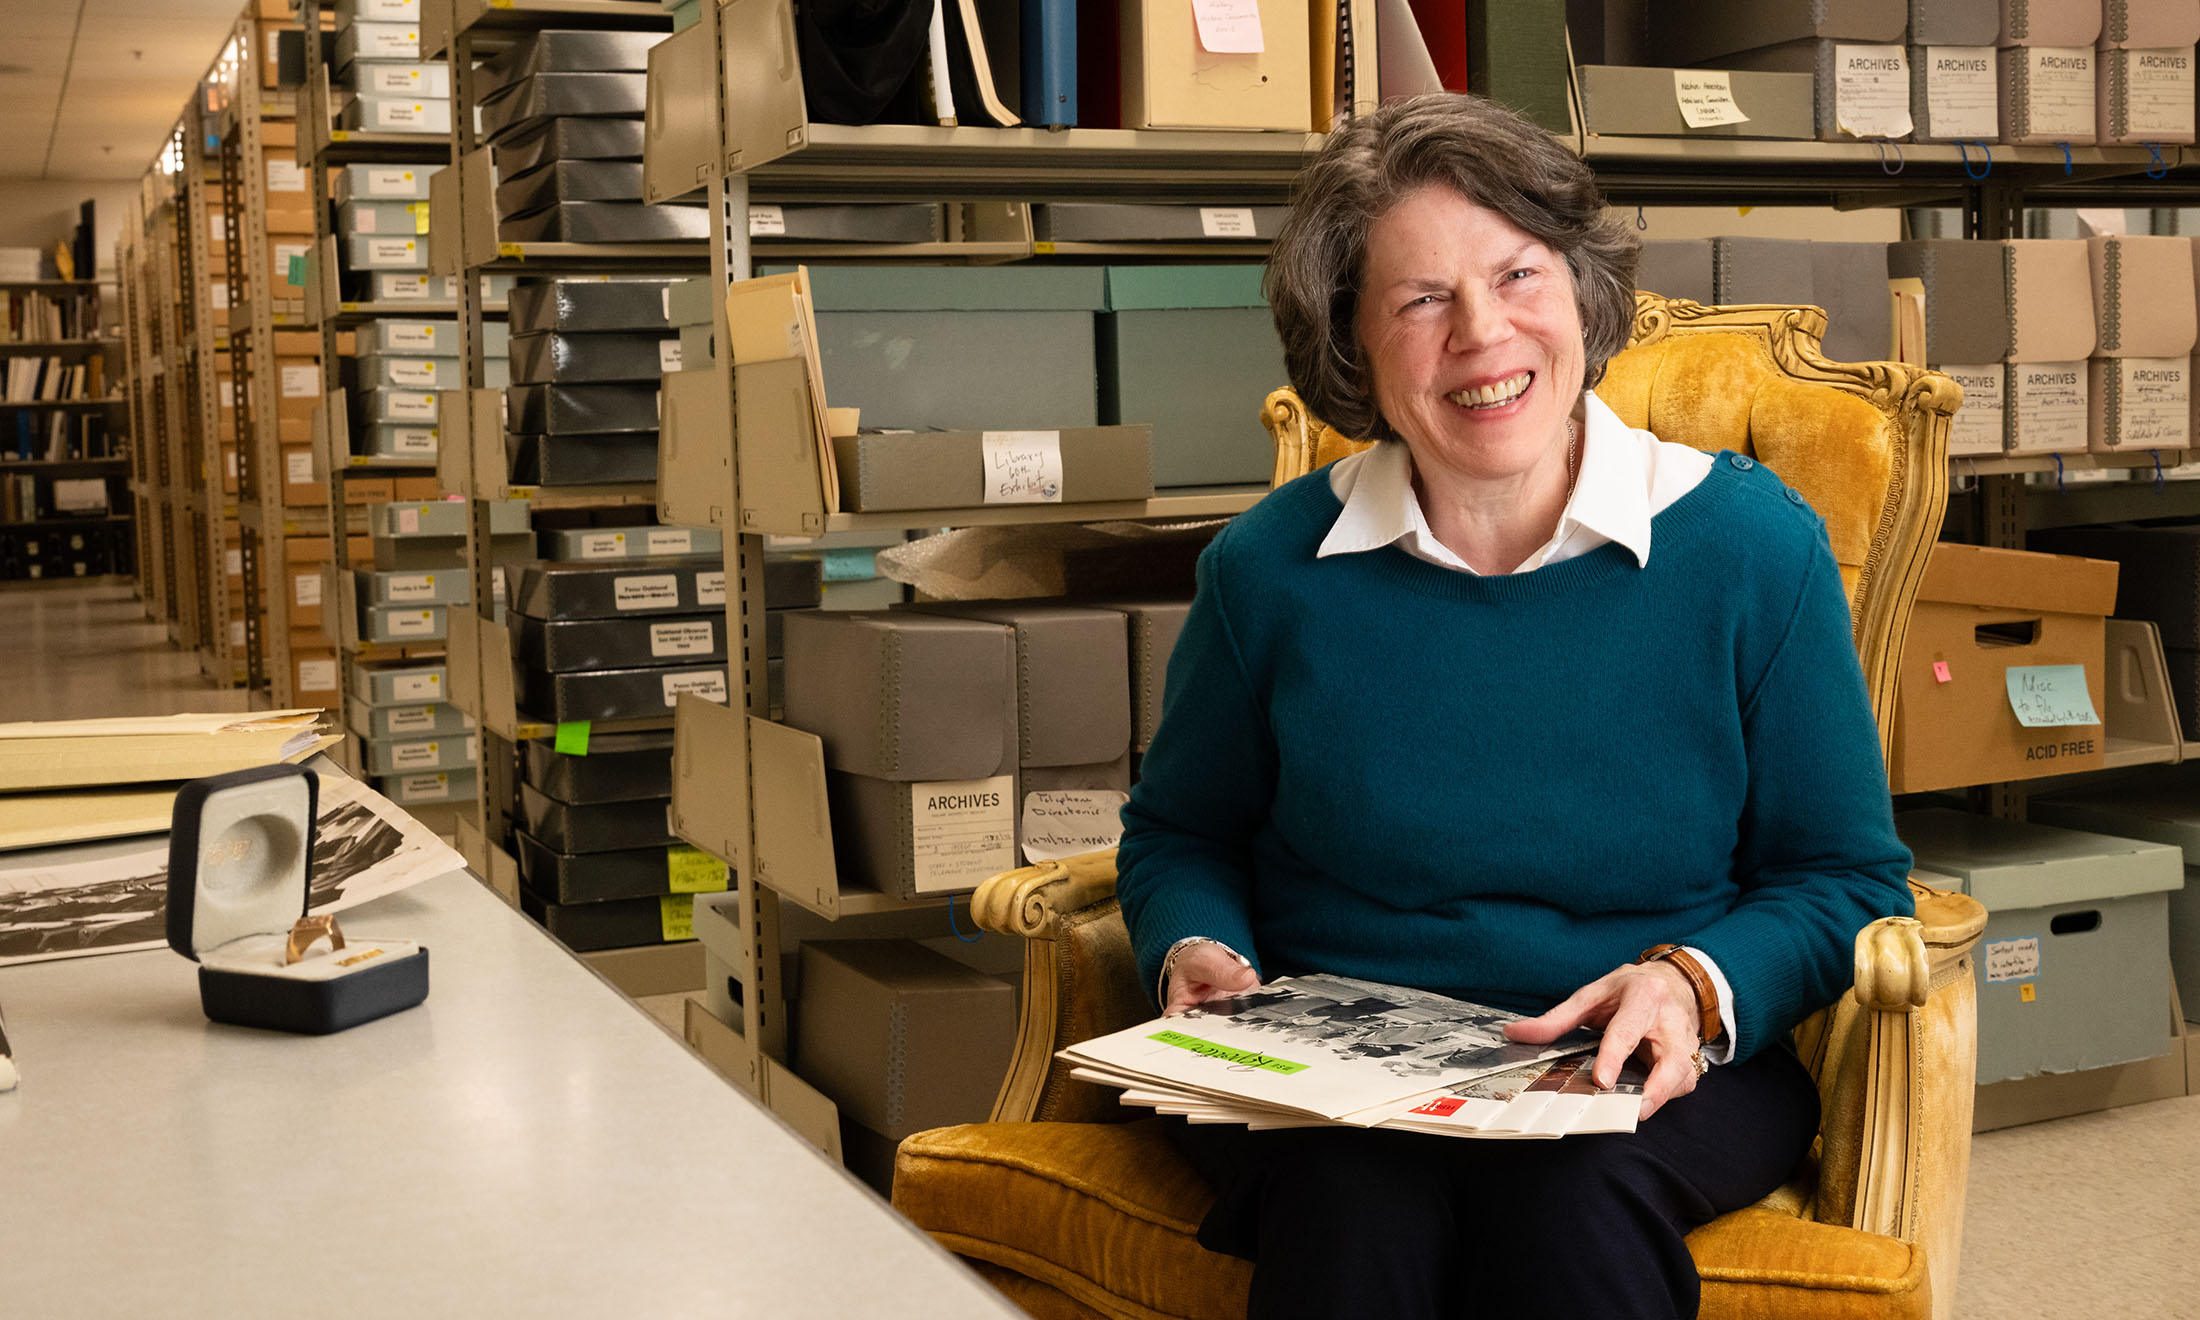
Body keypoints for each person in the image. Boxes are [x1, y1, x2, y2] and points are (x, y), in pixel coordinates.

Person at [1113, 91, 1916, 1320]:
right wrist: (1198, 946)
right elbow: (1182, 832)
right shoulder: (1266, 569)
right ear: (1352, 347)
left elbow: (1844, 875)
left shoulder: (1753, 551)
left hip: (1644, 1056)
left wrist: (1692, 983)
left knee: (1568, 1199)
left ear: (1581, 294)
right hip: (1331, 1072)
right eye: (1419, 300)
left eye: (1517, 276)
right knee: (1352, 1200)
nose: (1482, 335)